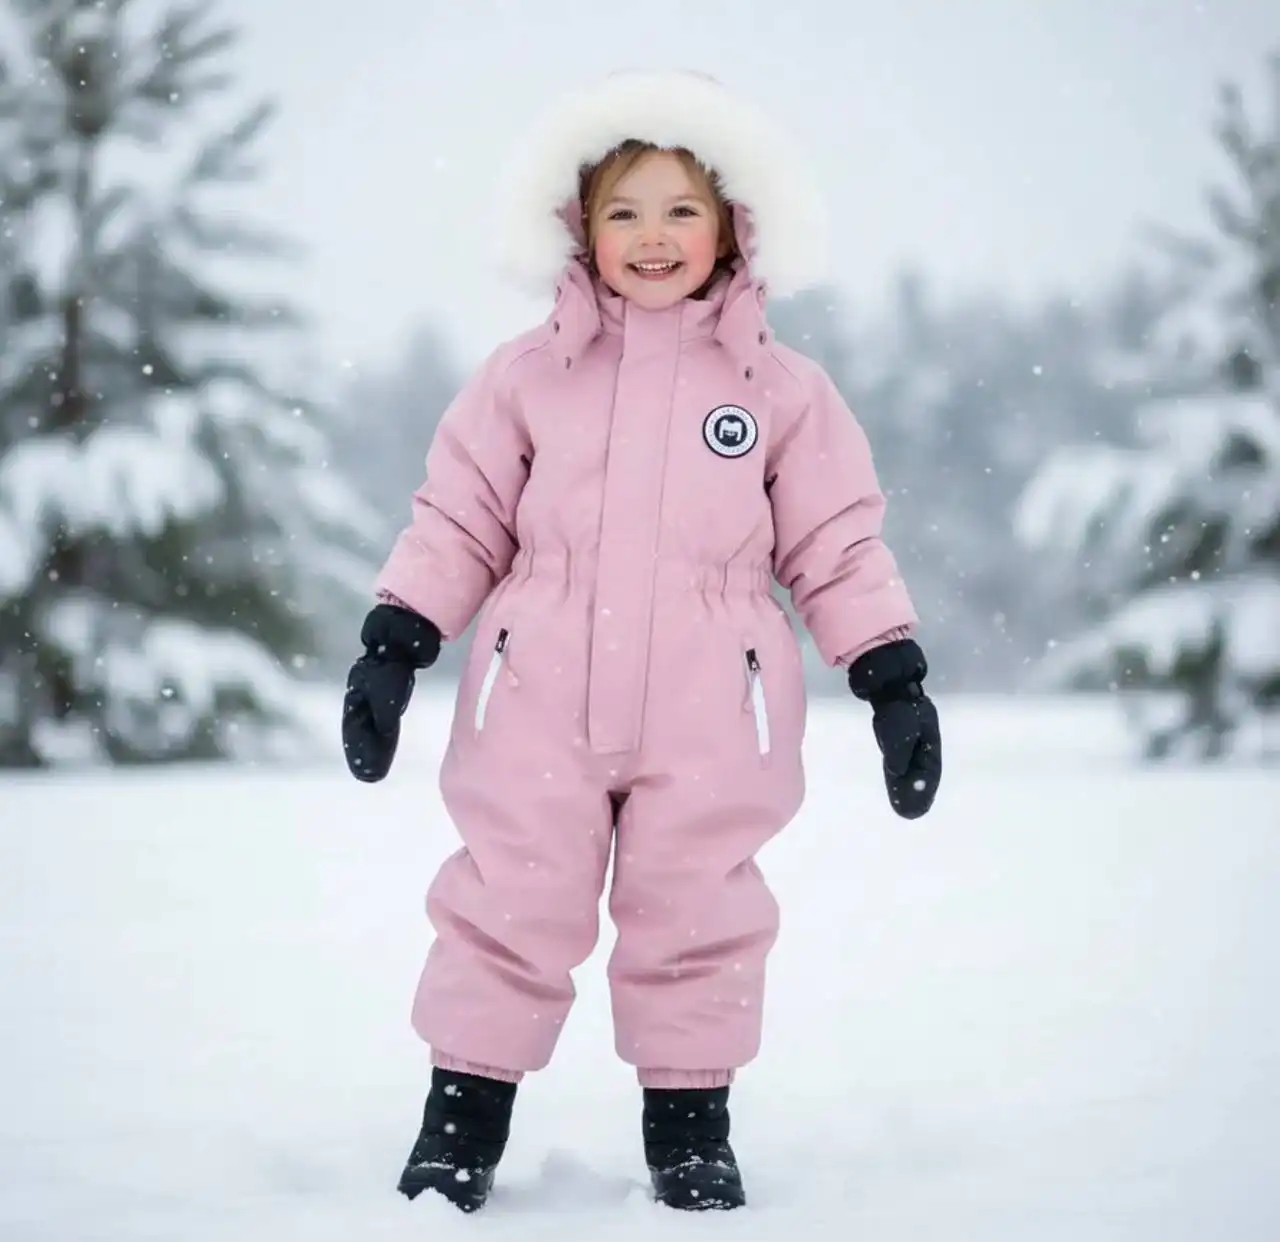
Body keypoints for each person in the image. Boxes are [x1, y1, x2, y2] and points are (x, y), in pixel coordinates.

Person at [341, 68, 943, 1214]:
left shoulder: (781, 390)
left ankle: (689, 1135)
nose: (652, 237)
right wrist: (397, 639)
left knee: (698, 908)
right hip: (536, 693)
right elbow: (458, 516)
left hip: (714, 704)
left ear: (730, 225)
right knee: (506, 899)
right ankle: (457, 1128)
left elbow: (835, 541)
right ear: (579, 226)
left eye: (680, 210)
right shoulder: (527, 378)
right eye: (623, 210)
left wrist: (889, 675)